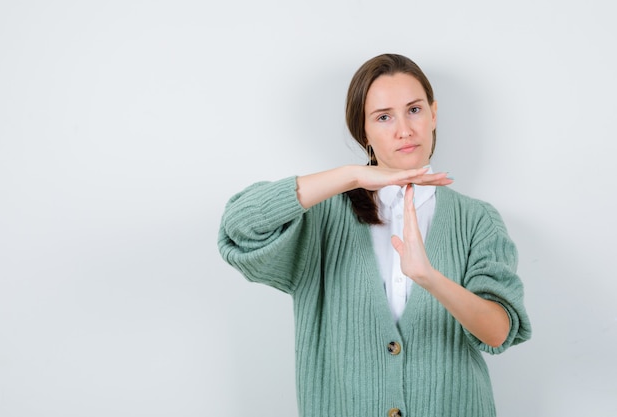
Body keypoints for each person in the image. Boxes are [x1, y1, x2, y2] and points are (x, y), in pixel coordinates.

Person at [218, 53, 531, 417]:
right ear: (363, 132)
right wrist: (352, 177)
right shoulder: (322, 214)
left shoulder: (477, 219)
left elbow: (498, 333)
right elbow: (239, 227)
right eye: (383, 117)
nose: (404, 129)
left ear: (433, 114)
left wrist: (431, 279)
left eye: (414, 110)